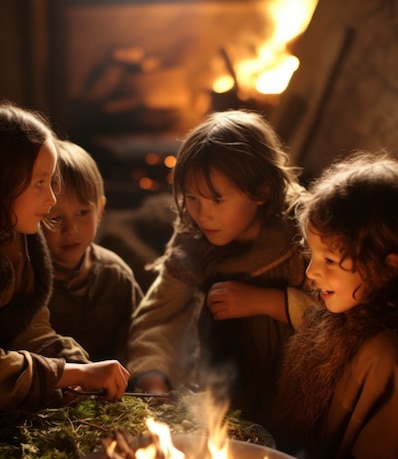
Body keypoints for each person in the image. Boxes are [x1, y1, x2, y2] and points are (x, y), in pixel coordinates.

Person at [127, 109, 314, 424]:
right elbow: (159, 315)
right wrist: (153, 377)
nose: (203, 214)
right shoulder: (193, 240)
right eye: (192, 198)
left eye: (217, 200)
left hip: (299, 403)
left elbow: (340, 322)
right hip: (219, 400)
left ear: (261, 192)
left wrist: (267, 301)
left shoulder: (304, 235)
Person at [273, 151, 398, 459]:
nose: (311, 273)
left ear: (387, 270)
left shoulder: (387, 354)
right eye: (312, 255)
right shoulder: (331, 317)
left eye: (330, 261)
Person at [0, 101, 130, 412]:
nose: (52, 198)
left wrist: (74, 364)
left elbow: (28, 328)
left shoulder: (17, 239)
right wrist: (71, 374)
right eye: (39, 184)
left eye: (50, 181)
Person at [42, 139, 144, 365]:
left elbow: (141, 339)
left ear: (100, 211)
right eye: (55, 218)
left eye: (82, 212)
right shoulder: (27, 278)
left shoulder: (115, 275)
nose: (71, 229)